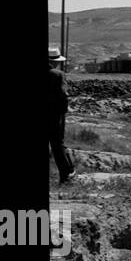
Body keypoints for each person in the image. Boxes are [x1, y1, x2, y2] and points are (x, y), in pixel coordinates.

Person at [48, 46, 74, 184]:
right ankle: (66, 175)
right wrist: (63, 111)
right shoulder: (58, 75)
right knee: (58, 145)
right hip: (53, 116)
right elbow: (63, 95)